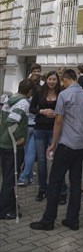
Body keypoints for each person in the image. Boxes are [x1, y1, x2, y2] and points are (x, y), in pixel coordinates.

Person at [30, 69, 83, 231]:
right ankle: (73, 219)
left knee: (55, 181)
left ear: (64, 80)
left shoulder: (64, 95)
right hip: (81, 143)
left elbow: (58, 121)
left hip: (66, 143)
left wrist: (53, 143)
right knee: (76, 182)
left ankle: (48, 220)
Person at [0, 78, 35, 220]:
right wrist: (18, 138)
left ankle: (8, 203)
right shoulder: (23, 103)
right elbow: (12, 121)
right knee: (10, 178)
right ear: (30, 91)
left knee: (7, 176)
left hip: (3, 143)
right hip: (12, 145)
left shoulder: (9, 99)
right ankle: (5, 211)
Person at [30, 70, 67, 203]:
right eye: (49, 79)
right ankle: (42, 189)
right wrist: (41, 111)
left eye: (54, 79)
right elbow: (31, 108)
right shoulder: (39, 92)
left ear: (58, 81)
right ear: (46, 80)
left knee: (57, 160)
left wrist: (55, 113)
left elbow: (66, 110)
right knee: (41, 161)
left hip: (54, 130)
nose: (51, 81)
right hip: (40, 129)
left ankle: (62, 190)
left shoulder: (62, 93)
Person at [17, 72, 41, 186]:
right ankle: (30, 177)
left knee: (28, 153)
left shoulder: (25, 97)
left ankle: (23, 177)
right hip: (35, 125)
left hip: (26, 126)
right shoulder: (40, 94)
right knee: (30, 153)